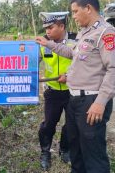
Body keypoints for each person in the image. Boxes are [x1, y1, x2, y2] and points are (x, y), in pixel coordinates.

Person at [36, 0, 115, 173]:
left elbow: (114, 69)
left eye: (75, 11)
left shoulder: (106, 33)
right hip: (74, 100)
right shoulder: (83, 33)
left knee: (93, 155)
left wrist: (100, 102)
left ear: (87, 8)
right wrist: (48, 44)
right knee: (77, 151)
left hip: (91, 102)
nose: (73, 17)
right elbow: (72, 53)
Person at [38, 11, 76, 170]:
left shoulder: (77, 40)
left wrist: (70, 76)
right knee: (48, 124)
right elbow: (34, 62)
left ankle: (65, 149)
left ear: (61, 26)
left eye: (51, 27)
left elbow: (85, 63)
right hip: (52, 91)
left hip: (73, 91)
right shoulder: (43, 43)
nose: (47, 31)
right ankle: (45, 152)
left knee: (71, 124)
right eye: (45, 28)